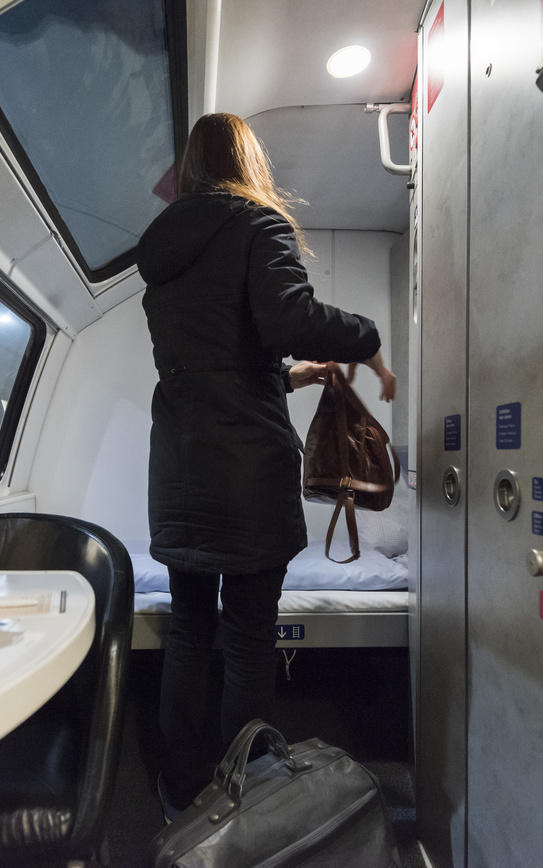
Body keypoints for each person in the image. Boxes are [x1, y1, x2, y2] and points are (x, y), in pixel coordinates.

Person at [135, 112, 397, 816]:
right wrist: (366, 339)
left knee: (190, 633)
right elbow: (287, 319)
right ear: (246, 160)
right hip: (247, 476)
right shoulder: (257, 225)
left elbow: (210, 370)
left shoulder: (159, 255)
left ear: (189, 169)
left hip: (181, 469)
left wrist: (292, 378)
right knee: (250, 640)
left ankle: (180, 795)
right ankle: (243, 802)